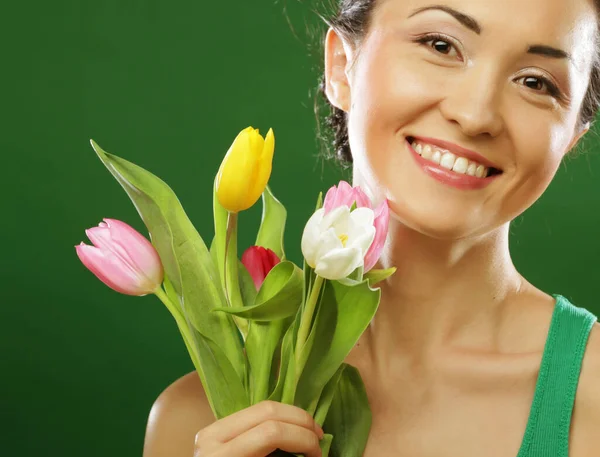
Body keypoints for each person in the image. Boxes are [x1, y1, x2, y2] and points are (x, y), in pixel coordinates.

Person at [142, 0, 600, 456]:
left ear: (571, 137)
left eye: (536, 82)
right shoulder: (201, 421)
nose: (476, 114)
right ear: (342, 67)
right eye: (440, 45)